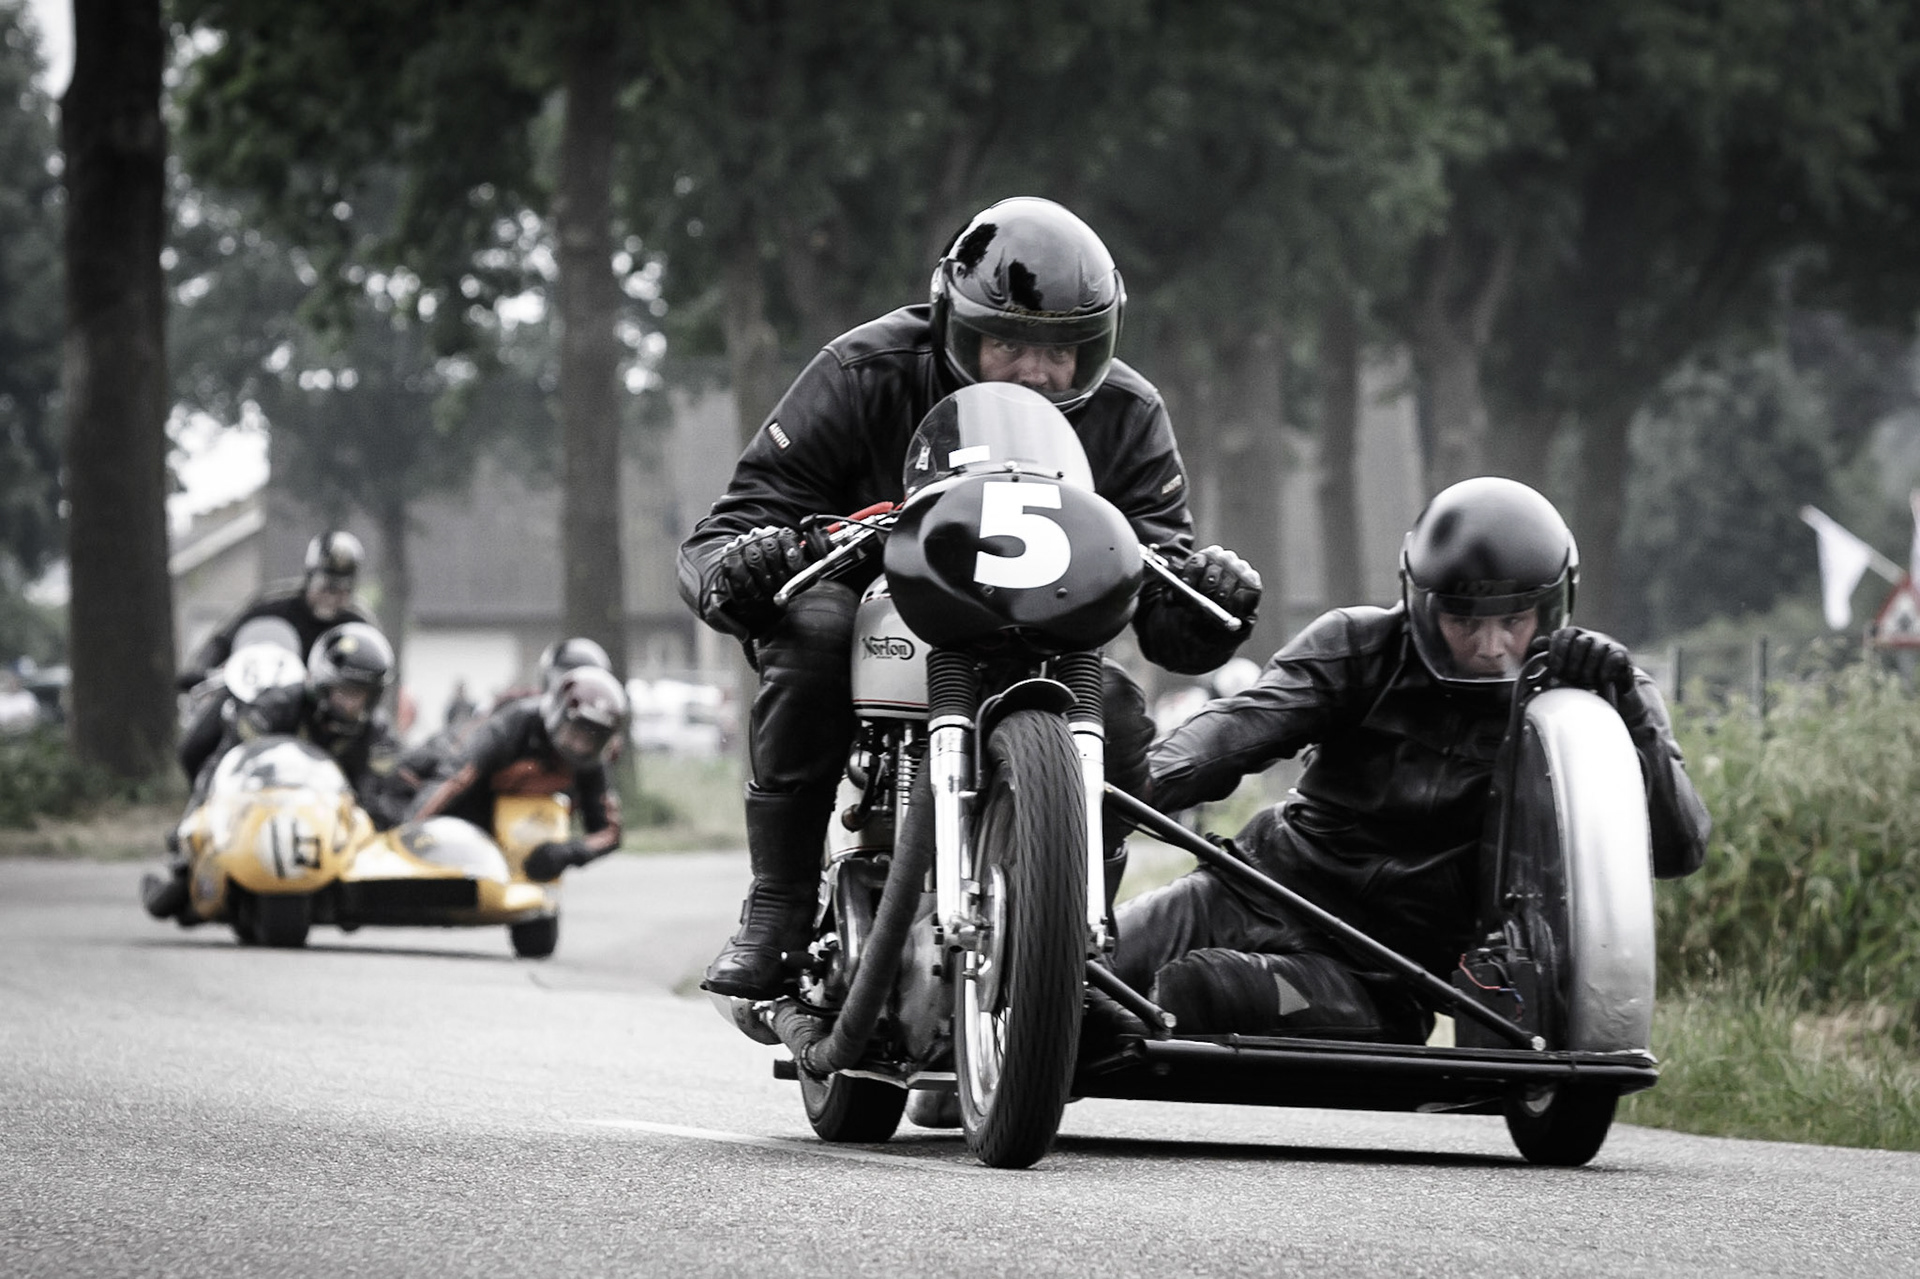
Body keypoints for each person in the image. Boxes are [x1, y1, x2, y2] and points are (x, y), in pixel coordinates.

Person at [678, 195, 1264, 1000]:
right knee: (812, 631)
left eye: (1061, 349)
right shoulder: (864, 371)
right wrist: (744, 566)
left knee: (1123, 719)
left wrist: (1210, 596)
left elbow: (1164, 596)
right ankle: (778, 904)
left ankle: (1078, 936)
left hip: (1045, 636)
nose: (1036, 370)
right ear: (957, 325)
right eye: (1009, 342)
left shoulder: (1129, 414)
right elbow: (728, 528)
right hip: (872, 608)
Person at [1109, 477, 1712, 1042]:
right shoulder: (1357, 643)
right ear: (1424, 604)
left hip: (1380, 976)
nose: (1490, 645)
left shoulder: (1591, 693)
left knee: (1196, 990)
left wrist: (1628, 716)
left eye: (1513, 620)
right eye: (1463, 620)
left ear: (1550, 606)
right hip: (1251, 889)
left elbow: (1678, 849)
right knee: (1081, 964)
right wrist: (1126, 784)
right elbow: (1238, 729)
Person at [144, 622, 406, 920]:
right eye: (345, 691)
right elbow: (226, 761)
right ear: (323, 682)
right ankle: (183, 866)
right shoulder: (277, 705)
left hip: (326, 822)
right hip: (261, 805)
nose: (352, 703)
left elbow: (379, 791)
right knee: (171, 897)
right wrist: (198, 817)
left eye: (362, 694)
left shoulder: (378, 733)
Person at [175, 531, 375, 784]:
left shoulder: (358, 624)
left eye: (343, 589)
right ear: (310, 577)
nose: (333, 597)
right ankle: (203, 800)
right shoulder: (272, 605)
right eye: (327, 585)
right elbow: (222, 641)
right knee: (193, 749)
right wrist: (201, 669)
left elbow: (373, 667)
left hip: (316, 713)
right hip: (251, 697)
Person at [407, 664, 630, 883]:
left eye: (592, 739)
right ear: (558, 714)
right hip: (462, 813)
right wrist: (409, 833)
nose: (580, 746)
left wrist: (564, 853)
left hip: (524, 844)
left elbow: (609, 833)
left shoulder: (591, 762)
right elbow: (453, 779)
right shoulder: (515, 725)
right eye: (576, 732)